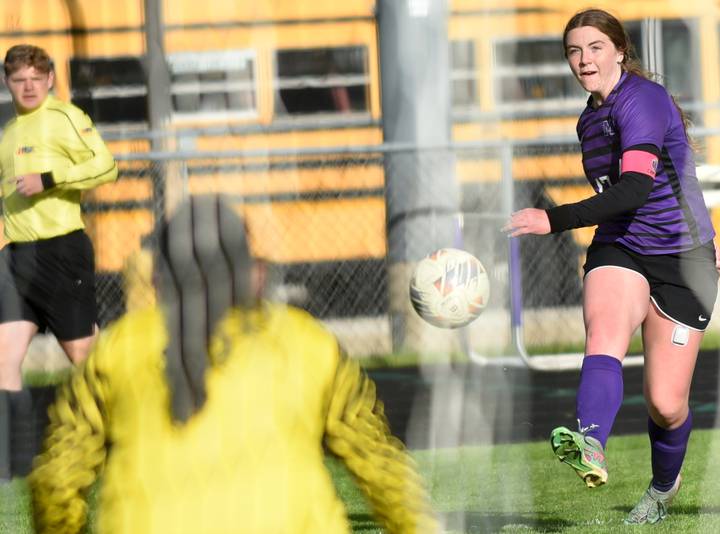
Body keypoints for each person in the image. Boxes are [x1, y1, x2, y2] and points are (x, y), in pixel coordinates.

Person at [28, 195, 440, 534]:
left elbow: (55, 480)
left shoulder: (117, 349)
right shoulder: (305, 342)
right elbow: (379, 463)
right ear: (253, 272)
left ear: (158, 279)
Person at [503, 8, 720, 525]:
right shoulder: (589, 118)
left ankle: (662, 489)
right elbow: (621, 203)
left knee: (665, 403)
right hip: (620, 246)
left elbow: (638, 188)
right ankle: (591, 444)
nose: (584, 59)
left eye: (595, 48)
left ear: (620, 51)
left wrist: (554, 218)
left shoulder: (643, 100)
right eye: (574, 51)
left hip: (682, 261)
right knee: (603, 332)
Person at [0, 44, 117, 480]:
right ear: (8, 83)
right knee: (3, 358)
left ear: (49, 79)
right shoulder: (9, 130)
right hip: (16, 256)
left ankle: (130, 434)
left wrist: (48, 179)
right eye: (19, 79)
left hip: (61, 252)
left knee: (86, 357)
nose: (28, 86)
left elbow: (106, 167)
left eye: (36, 78)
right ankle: (10, 461)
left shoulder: (66, 118)